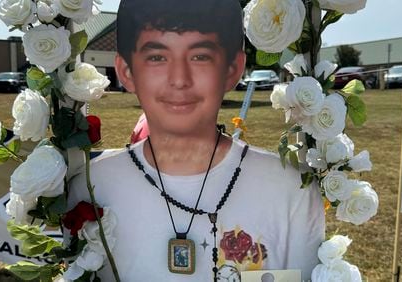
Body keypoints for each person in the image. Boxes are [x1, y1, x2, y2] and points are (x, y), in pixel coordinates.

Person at [69, 0, 325, 280]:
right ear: (127, 71)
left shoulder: (290, 189)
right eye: (157, 57)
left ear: (232, 69)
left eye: (200, 56)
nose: (179, 79)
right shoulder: (91, 187)